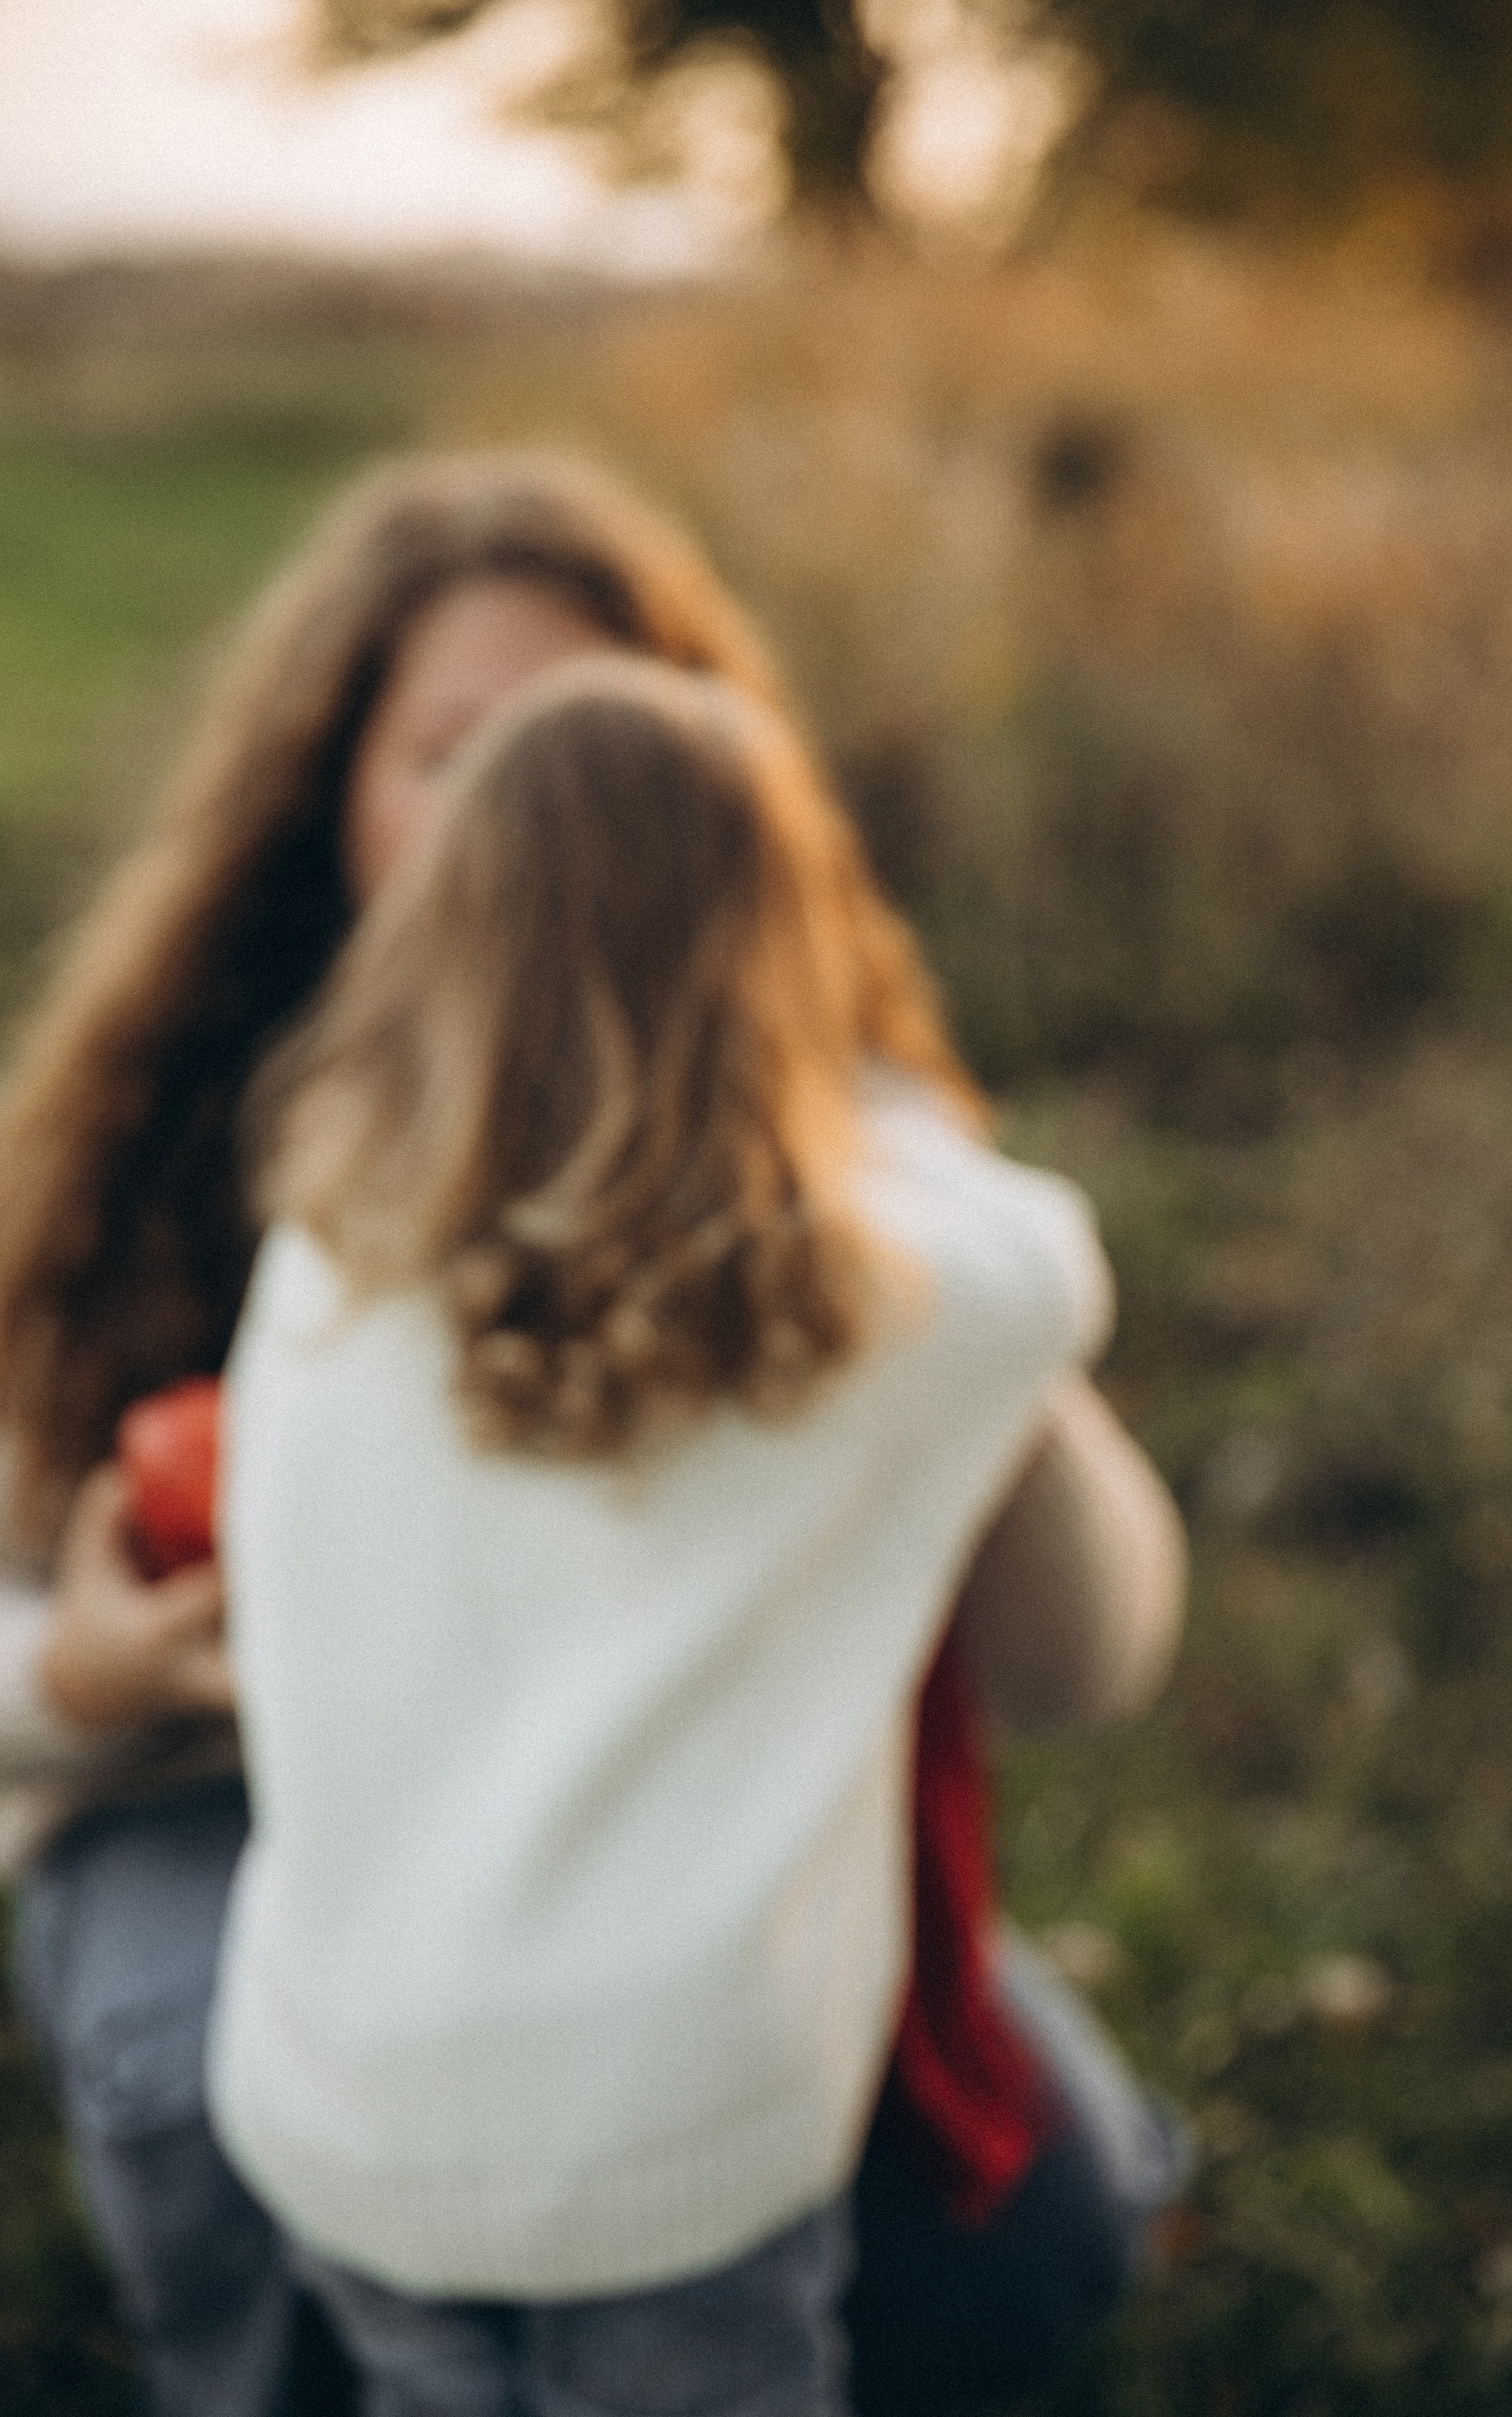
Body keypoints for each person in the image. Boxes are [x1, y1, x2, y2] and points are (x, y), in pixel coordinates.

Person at [0, 450, 1185, 2417]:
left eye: (603, 771)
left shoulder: (823, 1222)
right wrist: (76, 1665)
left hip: (624, 1899)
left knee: (1037, 2234)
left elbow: (1077, 1665)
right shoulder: (214, 1172)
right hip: (237, 1836)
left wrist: (857, 1174)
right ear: (331, 797)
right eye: (469, 754)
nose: (535, 838)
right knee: (203, 2044)